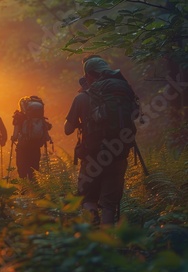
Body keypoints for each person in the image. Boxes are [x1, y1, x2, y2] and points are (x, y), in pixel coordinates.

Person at [64, 56, 137, 226]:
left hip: (92, 156)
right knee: (109, 204)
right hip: (118, 152)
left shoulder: (82, 98)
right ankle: (108, 241)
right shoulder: (122, 93)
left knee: (88, 197)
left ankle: (92, 229)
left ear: (88, 75)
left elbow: (67, 130)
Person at [11, 96, 52, 181]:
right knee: (34, 171)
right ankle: (35, 191)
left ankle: (24, 191)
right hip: (36, 147)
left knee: (22, 171)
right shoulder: (40, 118)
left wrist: (13, 138)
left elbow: (15, 135)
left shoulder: (19, 117)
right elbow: (47, 128)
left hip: (23, 148)